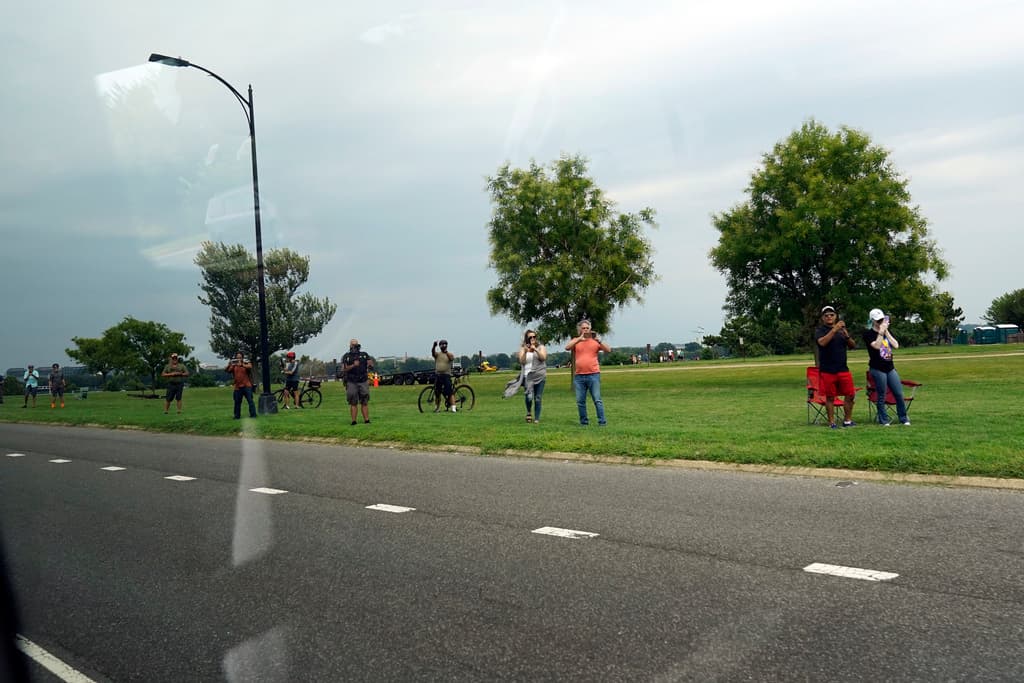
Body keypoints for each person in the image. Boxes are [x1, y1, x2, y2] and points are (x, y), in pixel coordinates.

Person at [863, 308, 911, 426]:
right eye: (878, 321)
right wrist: (880, 333)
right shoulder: (868, 334)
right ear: (873, 321)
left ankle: (903, 418)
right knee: (881, 394)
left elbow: (896, 345)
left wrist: (886, 332)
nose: (881, 322)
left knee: (899, 393)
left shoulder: (886, 331)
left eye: (882, 320)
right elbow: (877, 346)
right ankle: (883, 420)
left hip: (890, 367)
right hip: (877, 368)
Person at [815, 305, 857, 428]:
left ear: (836, 316)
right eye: (826, 315)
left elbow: (853, 346)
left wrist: (846, 334)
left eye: (831, 315)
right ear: (823, 318)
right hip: (828, 370)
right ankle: (831, 422)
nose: (829, 317)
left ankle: (847, 420)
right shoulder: (820, 330)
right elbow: (822, 343)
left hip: (842, 368)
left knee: (850, 394)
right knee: (830, 397)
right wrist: (834, 330)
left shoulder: (841, 330)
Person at [565, 319, 611, 426]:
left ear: (590, 329)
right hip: (579, 376)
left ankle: (602, 422)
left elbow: (608, 350)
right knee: (580, 401)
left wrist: (599, 340)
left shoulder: (595, 341)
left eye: (587, 328)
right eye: (583, 328)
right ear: (579, 329)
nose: (585, 330)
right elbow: (567, 347)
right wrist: (579, 339)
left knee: (597, 399)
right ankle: (584, 422)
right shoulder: (576, 341)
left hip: (593, 374)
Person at [507, 329, 548, 423]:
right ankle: (529, 412)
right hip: (528, 376)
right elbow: (522, 361)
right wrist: (526, 351)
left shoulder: (541, 347)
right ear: (527, 338)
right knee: (529, 396)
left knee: (538, 397)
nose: (533, 338)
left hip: (539, 375)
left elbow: (543, 358)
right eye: (530, 337)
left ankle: (537, 418)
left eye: (534, 337)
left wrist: (536, 349)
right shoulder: (523, 348)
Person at [341, 338, 374, 425]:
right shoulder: (346, 356)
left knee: (364, 401)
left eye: (356, 344)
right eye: (353, 345)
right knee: (353, 401)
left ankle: (366, 420)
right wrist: (353, 365)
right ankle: (354, 421)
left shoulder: (364, 354)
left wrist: (370, 364)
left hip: (363, 380)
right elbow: (344, 369)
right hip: (351, 381)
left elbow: (370, 363)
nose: (355, 346)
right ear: (350, 346)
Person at [225, 352, 257, 419]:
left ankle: (253, 415)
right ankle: (237, 416)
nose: (239, 358)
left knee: (250, 400)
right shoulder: (234, 364)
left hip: (247, 385)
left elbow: (250, 366)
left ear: (242, 357)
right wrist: (229, 364)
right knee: (237, 402)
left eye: (240, 357)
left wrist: (242, 364)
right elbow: (227, 370)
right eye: (237, 357)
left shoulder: (245, 362)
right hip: (237, 386)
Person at [431, 339, 456, 412]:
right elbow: (433, 353)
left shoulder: (449, 354)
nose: (443, 346)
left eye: (445, 344)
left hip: (446, 375)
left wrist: (446, 352)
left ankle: (453, 408)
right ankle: (437, 408)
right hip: (438, 375)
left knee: (449, 391)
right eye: (441, 345)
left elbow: (451, 358)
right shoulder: (438, 354)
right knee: (437, 393)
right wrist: (433, 346)